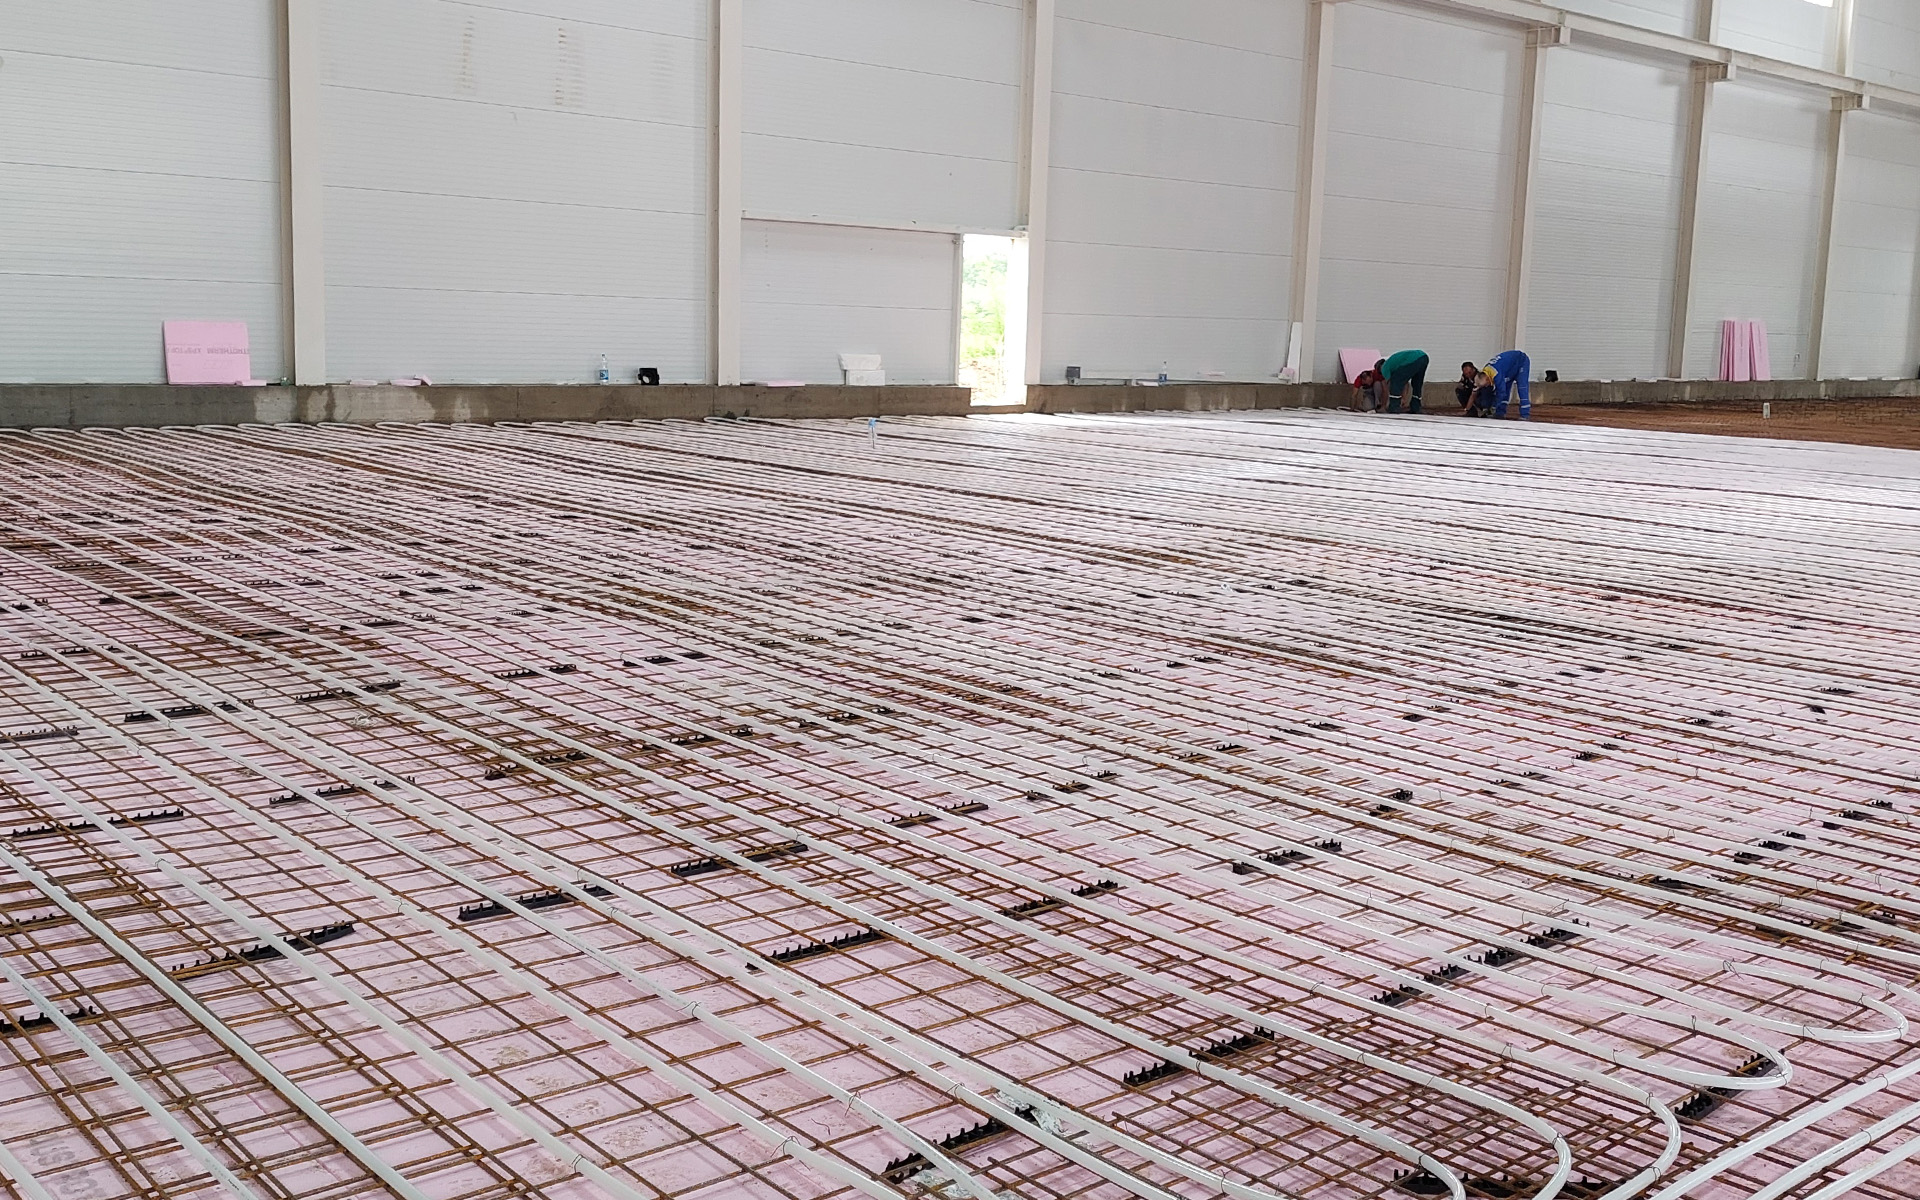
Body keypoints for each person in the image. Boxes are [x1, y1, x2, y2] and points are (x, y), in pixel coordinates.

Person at [1482, 349, 1531, 420]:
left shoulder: (1496, 374)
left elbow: (1501, 392)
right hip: (1509, 367)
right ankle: (1500, 413)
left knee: (1522, 388)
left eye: (1486, 384)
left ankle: (1525, 414)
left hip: (1521, 361)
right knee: (1506, 387)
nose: (1487, 386)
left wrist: (1494, 406)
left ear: (1487, 379)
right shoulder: (1486, 371)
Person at [1382, 349, 1429, 414]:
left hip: (1413, 359)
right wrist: (1403, 398)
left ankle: (1394, 407)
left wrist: (1384, 404)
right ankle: (1416, 407)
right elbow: (1405, 383)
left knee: (1395, 381)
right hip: (1424, 357)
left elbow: (1388, 385)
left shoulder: (1384, 367)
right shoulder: (1395, 364)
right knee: (1417, 384)